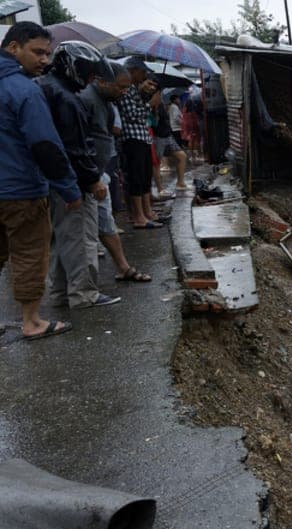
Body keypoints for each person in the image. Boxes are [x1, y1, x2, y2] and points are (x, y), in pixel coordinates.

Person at [0, 22, 80, 340]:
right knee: (30, 253)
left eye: (47, 53)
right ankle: (31, 321)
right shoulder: (24, 90)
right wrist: (69, 189)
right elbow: (45, 145)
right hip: (21, 191)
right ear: (13, 47)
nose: (45, 60)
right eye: (38, 52)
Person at [39, 40, 120, 310]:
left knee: (61, 239)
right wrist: (92, 179)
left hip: (52, 181)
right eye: (88, 74)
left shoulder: (45, 88)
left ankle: (62, 293)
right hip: (73, 181)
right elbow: (75, 147)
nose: (89, 80)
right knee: (81, 237)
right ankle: (84, 293)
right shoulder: (66, 98)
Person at [80, 60, 150, 282]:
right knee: (86, 232)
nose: (124, 92)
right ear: (100, 81)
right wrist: (92, 177)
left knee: (106, 222)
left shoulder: (107, 102)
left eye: (127, 88)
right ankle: (83, 290)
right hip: (88, 176)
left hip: (99, 173)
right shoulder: (85, 100)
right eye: (120, 87)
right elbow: (79, 144)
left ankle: (123, 267)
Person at [114, 57, 160, 228]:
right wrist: (149, 105)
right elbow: (132, 114)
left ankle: (147, 212)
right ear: (133, 71)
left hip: (143, 137)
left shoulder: (135, 89)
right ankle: (139, 216)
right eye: (142, 72)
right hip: (132, 138)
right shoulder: (126, 89)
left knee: (145, 177)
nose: (144, 76)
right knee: (136, 178)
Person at [151, 92, 187, 193]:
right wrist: (154, 109)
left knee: (182, 156)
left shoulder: (162, 105)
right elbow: (152, 122)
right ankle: (160, 188)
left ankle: (180, 182)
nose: (159, 96)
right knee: (156, 163)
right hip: (157, 137)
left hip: (168, 135)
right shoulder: (149, 106)